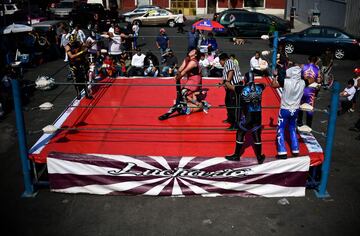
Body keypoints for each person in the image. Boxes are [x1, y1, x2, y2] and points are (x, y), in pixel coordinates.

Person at [225, 71, 266, 164]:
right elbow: (264, 84)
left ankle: (236, 155)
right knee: (256, 134)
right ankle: (259, 157)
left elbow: (229, 86)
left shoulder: (242, 88)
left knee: (240, 133)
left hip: (247, 116)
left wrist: (226, 81)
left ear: (246, 79)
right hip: (258, 115)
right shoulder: (260, 87)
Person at [158, 49, 209, 120]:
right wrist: (177, 74)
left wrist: (178, 77)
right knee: (181, 97)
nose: (191, 51)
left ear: (195, 54)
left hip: (195, 80)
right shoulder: (187, 59)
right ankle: (172, 111)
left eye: (193, 51)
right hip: (190, 80)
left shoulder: (193, 62)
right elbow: (181, 68)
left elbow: (184, 71)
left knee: (182, 94)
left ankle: (168, 113)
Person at [271, 64, 305, 159]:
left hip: (285, 109)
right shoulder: (303, 82)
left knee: (280, 128)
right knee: (292, 128)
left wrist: (275, 76)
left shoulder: (285, 82)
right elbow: (312, 79)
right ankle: (295, 149)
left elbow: (273, 85)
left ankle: (282, 151)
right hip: (296, 109)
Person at [218, 53, 242, 129]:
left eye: (220, 61)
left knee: (233, 104)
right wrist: (222, 83)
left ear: (223, 60)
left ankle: (235, 123)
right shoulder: (226, 64)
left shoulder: (229, 62)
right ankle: (230, 119)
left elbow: (231, 71)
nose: (220, 63)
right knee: (228, 102)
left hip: (234, 85)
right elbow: (226, 74)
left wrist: (227, 81)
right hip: (230, 87)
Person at [64, 34, 93, 100]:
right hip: (73, 64)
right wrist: (82, 51)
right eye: (71, 42)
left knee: (84, 77)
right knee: (75, 79)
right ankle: (78, 93)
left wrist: (88, 44)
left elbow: (86, 45)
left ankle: (87, 93)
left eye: (73, 41)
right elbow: (71, 56)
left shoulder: (78, 42)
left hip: (80, 62)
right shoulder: (67, 46)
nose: (72, 43)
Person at [297, 56, 321, 128]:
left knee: (300, 106)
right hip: (311, 92)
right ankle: (308, 126)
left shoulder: (303, 66)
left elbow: (298, 76)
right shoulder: (317, 69)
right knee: (309, 109)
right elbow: (319, 82)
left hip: (302, 89)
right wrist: (316, 93)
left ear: (308, 60)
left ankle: (299, 122)